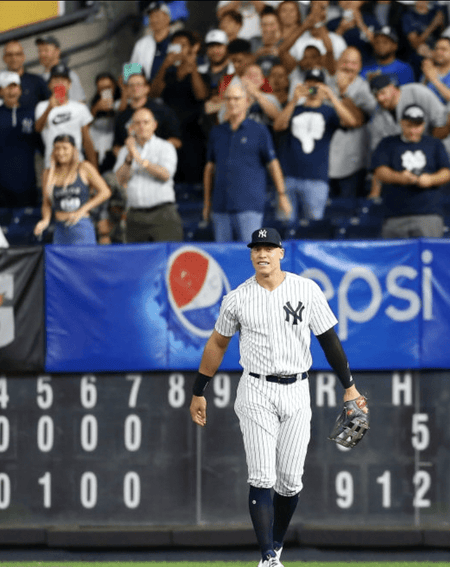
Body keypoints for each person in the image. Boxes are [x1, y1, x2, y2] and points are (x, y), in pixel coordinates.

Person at [189, 225, 368, 567]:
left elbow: (328, 340)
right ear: (251, 254)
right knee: (262, 476)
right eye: (256, 249)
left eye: (269, 247)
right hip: (256, 389)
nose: (262, 253)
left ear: (281, 253)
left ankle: (276, 545)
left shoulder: (306, 289)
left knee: (289, 482)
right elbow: (217, 343)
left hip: (298, 390)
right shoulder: (238, 297)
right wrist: (199, 390)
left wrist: (350, 385)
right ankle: (268, 558)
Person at [203, 81, 291, 242]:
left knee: (250, 255)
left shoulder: (259, 130)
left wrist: (282, 194)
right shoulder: (217, 132)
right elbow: (210, 168)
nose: (232, 103)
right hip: (220, 206)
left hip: (249, 205)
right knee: (223, 256)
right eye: (228, 99)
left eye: (237, 99)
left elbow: (273, 163)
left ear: (247, 102)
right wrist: (207, 203)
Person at [273, 68, 359, 221]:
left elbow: (351, 122)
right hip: (289, 176)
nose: (313, 88)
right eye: (309, 84)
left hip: (316, 178)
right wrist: (294, 100)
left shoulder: (329, 111)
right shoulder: (294, 109)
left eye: (317, 85)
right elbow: (278, 126)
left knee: (313, 229)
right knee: (283, 226)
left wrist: (332, 97)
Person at [371, 104, 450, 238]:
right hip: (395, 213)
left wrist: (430, 180)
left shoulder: (434, 144)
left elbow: (447, 172)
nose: (413, 131)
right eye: (409, 126)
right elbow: (380, 171)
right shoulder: (387, 143)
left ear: (424, 125)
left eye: (418, 126)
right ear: (401, 123)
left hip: (428, 213)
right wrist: (400, 177)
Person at [114, 107, 183, 242]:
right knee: (137, 261)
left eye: (146, 122)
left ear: (154, 125)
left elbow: (165, 175)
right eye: (137, 123)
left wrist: (139, 159)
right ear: (132, 127)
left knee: (167, 258)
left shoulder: (165, 147)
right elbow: (119, 180)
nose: (141, 126)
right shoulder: (125, 151)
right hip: (135, 215)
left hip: (162, 213)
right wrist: (129, 158)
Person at [150, 30, 210, 184]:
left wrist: (192, 67)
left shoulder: (201, 71)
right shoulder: (167, 72)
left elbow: (201, 95)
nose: (179, 50)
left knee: (193, 177)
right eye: (176, 46)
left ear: (191, 48)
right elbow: (154, 92)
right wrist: (165, 64)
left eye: (183, 45)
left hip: (193, 133)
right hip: (170, 134)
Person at [34, 134, 111, 244]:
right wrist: (45, 220)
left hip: (81, 225)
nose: (61, 152)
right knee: (60, 261)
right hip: (60, 228)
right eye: (57, 148)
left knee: (83, 260)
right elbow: (46, 202)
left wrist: (82, 210)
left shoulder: (84, 167)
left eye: (65, 148)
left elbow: (105, 192)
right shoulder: (48, 173)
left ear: (74, 150)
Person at [328, 47, 377, 200]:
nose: (349, 66)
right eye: (345, 62)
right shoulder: (327, 82)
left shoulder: (365, 88)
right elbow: (310, 91)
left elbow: (360, 119)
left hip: (353, 160)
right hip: (326, 157)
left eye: (354, 63)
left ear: (360, 66)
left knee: (347, 208)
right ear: (337, 63)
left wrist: (343, 92)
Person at [35, 63, 97, 168]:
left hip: (77, 163)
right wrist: (49, 108)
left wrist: (94, 169)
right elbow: (38, 129)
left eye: (63, 80)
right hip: (52, 165)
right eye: (56, 80)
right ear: (50, 84)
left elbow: (87, 141)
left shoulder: (80, 107)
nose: (60, 84)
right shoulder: (42, 106)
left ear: (69, 84)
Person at [367, 73, 446, 156]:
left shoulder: (417, 91)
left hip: (434, 151)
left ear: (392, 87)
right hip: (402, 159)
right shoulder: (378, 115)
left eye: (382, 93)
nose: (380, 98)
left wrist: (430, 150)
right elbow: (376, 147)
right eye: (376, 95)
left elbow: (442, 120)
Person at [0, 72, 42, 208]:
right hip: (2, 183)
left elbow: (42, 144)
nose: (11, 91)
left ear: (20, 90)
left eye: (14, 86)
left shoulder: (32, 112)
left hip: (29, 180)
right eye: (7, 87)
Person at [112, 70, 181, 157]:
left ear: (147, 88)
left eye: (139, 85)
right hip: (132, 164)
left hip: (159, 162)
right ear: (126, 90)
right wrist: (126, 157)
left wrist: (155, 151)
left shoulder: (162, 111)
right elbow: (116, 146)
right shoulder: (121, 116)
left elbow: (177, 141)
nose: (134, 88)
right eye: (131, 85)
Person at [278, 0, 347, 76]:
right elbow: (282, 50)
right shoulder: (298, 40)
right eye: (305, 57)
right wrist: (305, 25)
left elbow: (330, 51)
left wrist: (318, 22)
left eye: (313, 57)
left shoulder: (337, 40)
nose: (309, 61)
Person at [401, 0, 447, 78]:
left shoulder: (436, 13)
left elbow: (444, 37)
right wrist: (433, 25)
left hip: (436, 58)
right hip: (417, 60)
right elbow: (415, 43)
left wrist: (441, 23)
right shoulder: (408, 16)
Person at [129, 2, 174, 82]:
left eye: (157, 16)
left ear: (168, 18)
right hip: (147, 90)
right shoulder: (141, 44)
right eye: (151, 16)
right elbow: (131, 73)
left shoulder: (177, 41)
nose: (154, 20)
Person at [327, 0, 379, 67]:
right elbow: (326, 49)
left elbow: (379, 47)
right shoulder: (332, 24)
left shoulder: (371, 21)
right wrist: (341, 30)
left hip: (368, 66)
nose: (349, 1)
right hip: (340, 67)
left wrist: (361, 24)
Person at [35, 36, 86, 102]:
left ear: (57, 52)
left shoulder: (69, 75)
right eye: (39, 51)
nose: (42, 54)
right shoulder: (38, 79)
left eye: (46, 50)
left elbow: (79, 103)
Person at [2, 40, 50, 109]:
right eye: (10, 55)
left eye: (17, 54)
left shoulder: (37, 81)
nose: (14, 58)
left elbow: (50, 106)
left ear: (23, 57)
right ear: (4, 58)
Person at [420, 35, 450, 104]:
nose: (438, 52)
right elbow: (420, 97)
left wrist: (434, 79)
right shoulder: (430, 70)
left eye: (443, 49)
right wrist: (426, 77)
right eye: (436, 49)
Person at [252, 6, 284, 77]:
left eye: (272, 24)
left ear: (279, 25)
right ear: (260, 25)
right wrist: (257, 54)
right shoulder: (253, 42)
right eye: (264, 25)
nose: (268, 29)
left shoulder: (284, 43)